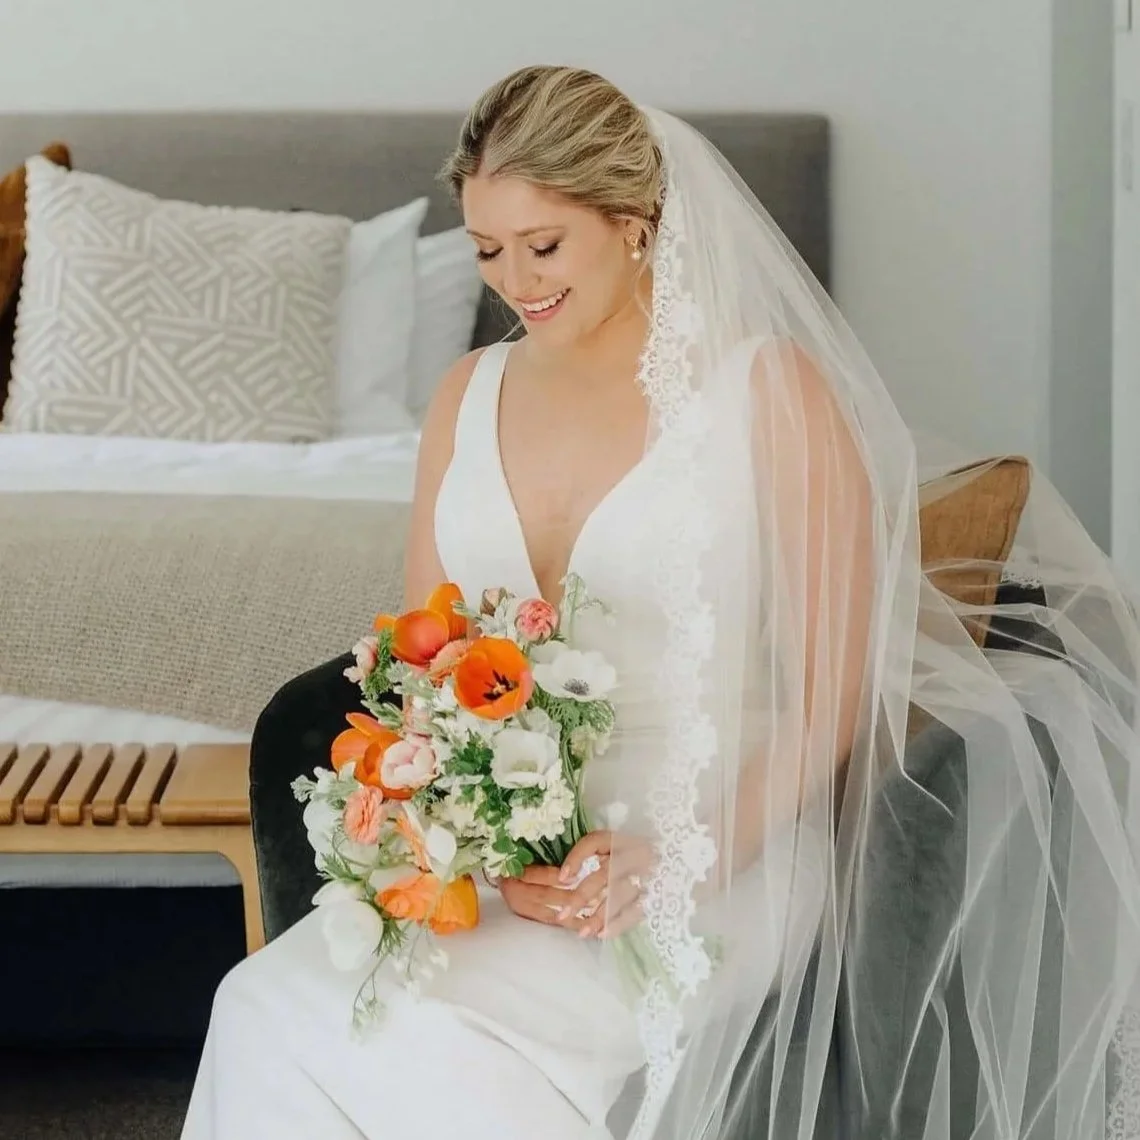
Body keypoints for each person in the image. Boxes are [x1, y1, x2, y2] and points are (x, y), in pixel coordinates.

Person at [181, 66, 1140, 1140]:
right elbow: (430, 663)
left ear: (633, 222)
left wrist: (687, 857)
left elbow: (835, 692)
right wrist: (472, 841)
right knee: (259, 1002)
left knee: (430, 1044)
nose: (515, 283)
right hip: (515, 857)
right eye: (488, 250)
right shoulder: (465, 395)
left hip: (723, 838)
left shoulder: (766, 390)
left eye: (544, 246)